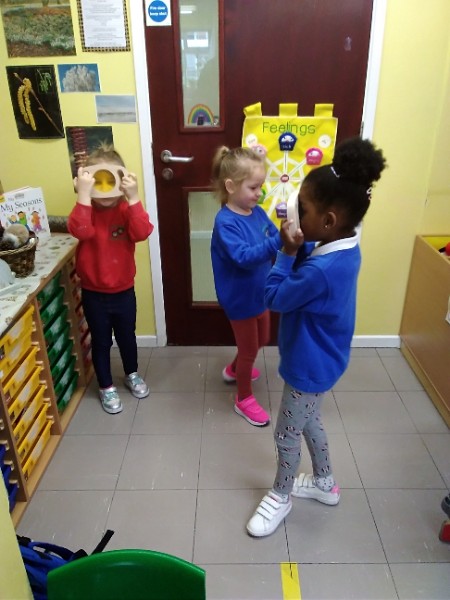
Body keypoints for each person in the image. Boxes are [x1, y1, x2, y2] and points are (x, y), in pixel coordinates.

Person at [246, 137, 387, 536]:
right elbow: (310, 256)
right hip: (325, 360)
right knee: (308, 421)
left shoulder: (320, 272)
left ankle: (281, 495)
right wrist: (299, 244)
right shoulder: (342, 246)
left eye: (302, 208)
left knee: (285, 434)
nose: (294, 213)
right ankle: (325, 484)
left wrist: (287, 253)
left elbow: (273, 297)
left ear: (327, 221)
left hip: (309, 365)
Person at [68, 148, 154, 414]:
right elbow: (81, 231)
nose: (105, 190)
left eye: (110, 180)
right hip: (94, 293)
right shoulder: (85, 211)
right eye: (97, 181)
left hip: (124, 291)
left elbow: (142, 232)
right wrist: (83, 196)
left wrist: (134, 197)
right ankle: (106, 386)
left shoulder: (126, 210)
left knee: (127, 337)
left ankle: (132, 373)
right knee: (101, 340)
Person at [210, 146, 282, 426]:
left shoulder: (257, 212)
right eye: (253, 187)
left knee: (262, 338)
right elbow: (243, 257)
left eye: (260, 186)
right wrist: (278, 242)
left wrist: (288, 239)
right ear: (230, 186)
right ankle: (243, 398)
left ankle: (233, 369)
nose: (259, 193)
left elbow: (273, 236)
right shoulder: (225, 223)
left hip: (260, 292)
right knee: (250, 349)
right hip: (239, 298)